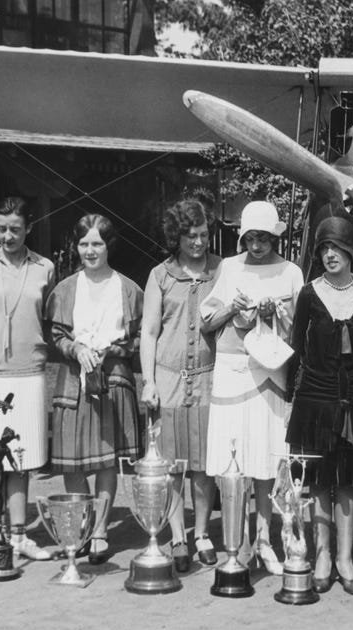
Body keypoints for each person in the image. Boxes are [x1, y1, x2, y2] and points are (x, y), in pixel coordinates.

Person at [285, 215, 353, 595]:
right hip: (314, 401)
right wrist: (287, 401)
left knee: (348, 485)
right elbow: (296, 351)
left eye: (337, 248)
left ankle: (346, 558)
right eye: (324, 248)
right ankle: (323, 554)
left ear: (350, 252)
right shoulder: (310, 294)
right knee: (318, 481)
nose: (330, 255)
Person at [201, 200, 303, 575]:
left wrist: (275, 312)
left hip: (271, 370)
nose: (257, 245)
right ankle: (237, 542)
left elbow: (300, 330)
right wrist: (233, 307)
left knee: (267, 458)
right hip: (232, 368)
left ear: (275, 236)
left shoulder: (292, 272)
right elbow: (207, 322)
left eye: (264, 238)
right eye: (250, 238)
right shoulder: (228, 267)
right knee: (235, 460)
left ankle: (266, 538)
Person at [46, 213, 143, 564]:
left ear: (109, 245)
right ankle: (82, 528)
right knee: (72, 462)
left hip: (112, 379)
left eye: (97, 243)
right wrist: (77, 349)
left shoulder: (129, 289)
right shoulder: (65, 289)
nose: (90, 250)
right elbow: (55, 335)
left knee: (105, 459)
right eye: (84, 243)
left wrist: (112, 350)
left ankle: (101, 530)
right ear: (77, 246)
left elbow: (138, 338)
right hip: (74, 380)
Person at [0, 197, 55, 561]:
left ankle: (20, 536)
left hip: (29, 375)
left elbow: (49, 320)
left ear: (28, 228)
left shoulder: (45, 268)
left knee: (21, 456)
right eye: (2, 228)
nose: (7, 236)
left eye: (15, 229)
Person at [139, 199, 221, 572]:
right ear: (178, 236)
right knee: (172, 465)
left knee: (203, 465)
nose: (199, 243)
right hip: (169, 379)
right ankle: (177, 536)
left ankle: (202, 533)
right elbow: (150, 331)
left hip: (209, 378)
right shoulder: (160, 275)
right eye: (191, 236)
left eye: (204, 235)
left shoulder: (222, 270)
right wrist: (149, 382)